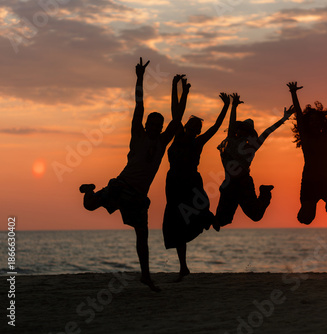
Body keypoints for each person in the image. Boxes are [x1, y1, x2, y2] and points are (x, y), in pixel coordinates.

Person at [79, 58, 184, 291]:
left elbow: (177, 119)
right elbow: (139, 106)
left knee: (142, 236)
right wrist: (139, 77)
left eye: (159, 124)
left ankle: (145, 275)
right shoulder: (138, 135)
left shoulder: (162, 143)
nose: (155, 126)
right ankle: (88, 190)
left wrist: (178, 89)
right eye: (152, 123)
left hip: (137, 196)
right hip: (121, 186)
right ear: (146, 125)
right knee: (89, 205)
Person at [163, 84, 230, 282]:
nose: (195, 130)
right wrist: (180, 89)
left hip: (191, 183)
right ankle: (183, 267)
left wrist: (226, 106)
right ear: (186, 127)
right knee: (175, 225)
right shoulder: (178, 136)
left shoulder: (198, 142)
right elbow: (176, 112)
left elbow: (217, 127)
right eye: (192, 127)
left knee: (197, 211)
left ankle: (210, 219)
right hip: (174, 185)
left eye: (197, 129)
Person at [214, 93, 293, 229]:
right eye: (241, 129)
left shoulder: (252, 146)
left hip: (244, 183)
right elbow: (231, 123)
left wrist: (284, 119)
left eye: (246, 131)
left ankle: (265, 192)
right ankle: (200, 218)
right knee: (221, 221)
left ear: (250, 134)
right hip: (229, 183)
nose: (242, 132)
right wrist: (234, 106)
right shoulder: (231, 140)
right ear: (238, 130)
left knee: (256, 216)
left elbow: (268, 132)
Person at [287, 79, 327, 225]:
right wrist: (293, 93)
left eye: (317, 120)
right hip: (309, 182)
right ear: (308, 123)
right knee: (305, 220)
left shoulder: (326, 136)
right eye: (311, 120)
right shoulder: (305, 136)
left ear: (321, 122)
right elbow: (299, 119)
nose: (314, 123)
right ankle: (315, 203)